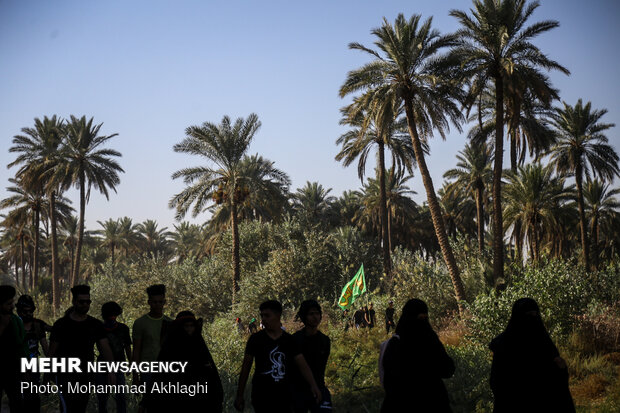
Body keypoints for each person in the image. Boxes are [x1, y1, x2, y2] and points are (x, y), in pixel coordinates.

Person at [234, 300, 322, 413]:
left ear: (278, 316)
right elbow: (246, 367)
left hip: (285, 396)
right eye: (262, 316)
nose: (263, 319)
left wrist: (314, 386)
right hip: (261, 395)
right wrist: (240, 395)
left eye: (267, 315)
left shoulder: (290, 340)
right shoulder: (255, 340)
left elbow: (302, 365)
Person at [489, 298, 575, 413]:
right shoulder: (503, 345)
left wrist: (561, 369)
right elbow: (497, 381)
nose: (532, 319)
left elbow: (557, 382)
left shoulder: (544, 342)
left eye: (535, 315)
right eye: (528, 315)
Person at [49, 285, 116, 413]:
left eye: (88, 301)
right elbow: (52, 352)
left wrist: (111, 371)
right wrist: (48, 374)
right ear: (74, 302)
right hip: (64, 374)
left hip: (86, 375)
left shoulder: (95, 325)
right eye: (81, 301)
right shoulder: (61, 324)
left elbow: (105, 348)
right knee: (67, 408)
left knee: (80, 408)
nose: (85, 304)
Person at [380, 299, 454, 413]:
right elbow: (447, 369)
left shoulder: (393, 345)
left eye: (424, 319)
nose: (422, 323)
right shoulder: (429, 339)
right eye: (420, 319)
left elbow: (387, 382)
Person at [147, 311, 223, 413]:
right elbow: (159, 373)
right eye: (186, 326)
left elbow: (210, 371)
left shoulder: (198, 343)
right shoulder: (170, 345)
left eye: (191, 326)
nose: (189, 329)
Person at [292, 300, 332, 412]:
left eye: (317, 313)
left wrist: (318, 387)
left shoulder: (325, 340)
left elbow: (321, 367)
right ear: (304, 317)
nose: (315, 317)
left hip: (319, 386)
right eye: (311, 314)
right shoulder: (296, 339)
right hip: (299, 390)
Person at [17, 294, 51, 413]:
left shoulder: (37, 325)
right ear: (19, 311)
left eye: (30, 311)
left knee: (34, 398)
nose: (28, 314)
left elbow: (46, 347)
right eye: (25, 311)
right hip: (16, 366)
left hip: (33, 366)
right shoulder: (14, 324)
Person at [132, 284, 171, 388]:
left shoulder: (170, 323)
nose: (157, 305)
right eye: (154, 302)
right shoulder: (140, 323)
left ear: (164, 302)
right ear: (149, 302)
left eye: (160, 302)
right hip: (147, 370)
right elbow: (136, 350)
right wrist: (135, 377)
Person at [96, 301, 131, 413]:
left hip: (119, 365)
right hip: (102, 365)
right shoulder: (99, 329)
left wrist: (131, 364)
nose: (112, 317)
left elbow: (127, 347)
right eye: (109, 315)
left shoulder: (123, 328)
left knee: (120, 396)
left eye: (114, 314)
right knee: (102, 397)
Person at [0, 285, 27, 413]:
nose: (12, 307)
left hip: (13, 370)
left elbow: (20, 345)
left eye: (12, 303)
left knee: (17, 403)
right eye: (8, 304)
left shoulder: (15, 320)